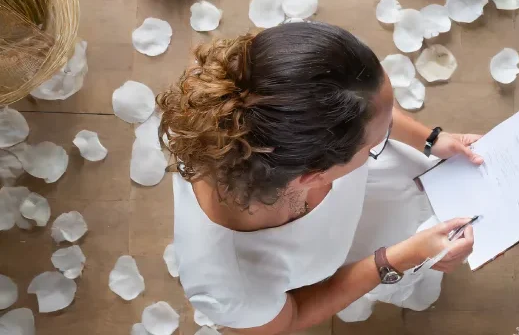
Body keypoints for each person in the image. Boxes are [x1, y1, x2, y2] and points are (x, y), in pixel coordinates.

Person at [157, 22, 482, 335]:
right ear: (314, 177)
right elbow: (293, 316)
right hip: (359, 261)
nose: (382, 138)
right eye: (375, 142)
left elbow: (365, 105)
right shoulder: (232, 287)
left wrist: (430, 139)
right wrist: (398, 258)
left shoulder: (274, 96)